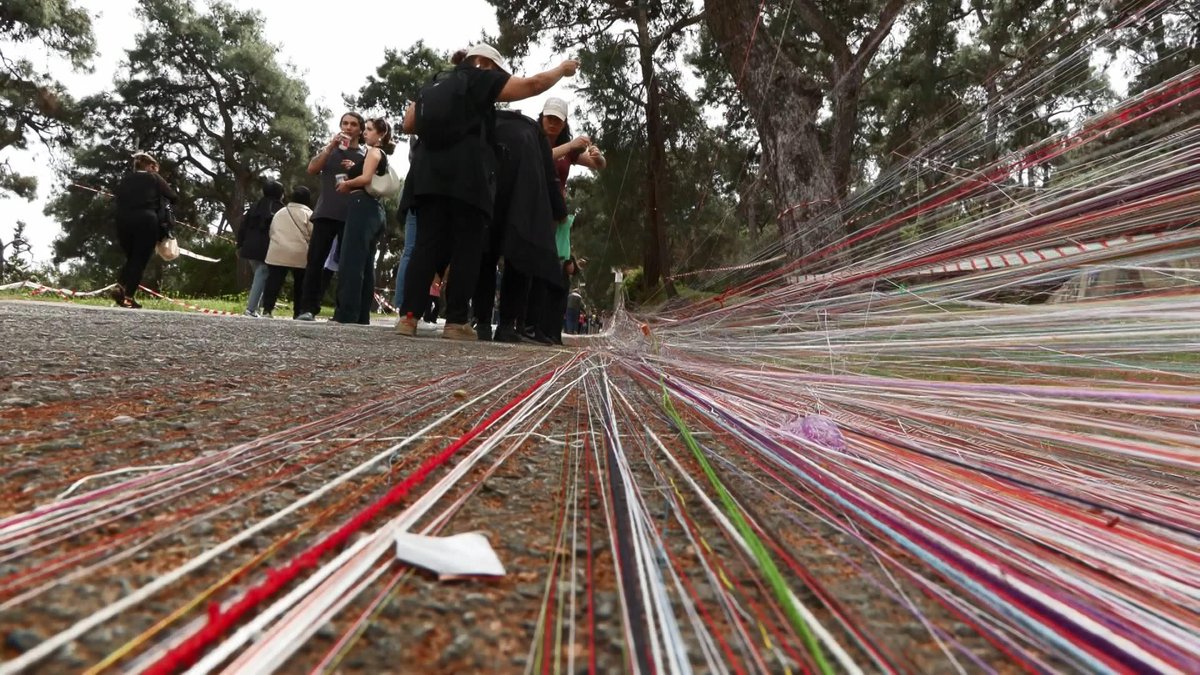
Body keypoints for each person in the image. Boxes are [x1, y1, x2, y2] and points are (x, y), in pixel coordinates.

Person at [396, 43, 580, 340]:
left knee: (425, 246)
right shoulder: (480, 76)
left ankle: (408, 318)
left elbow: (408, 124)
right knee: (468, 247)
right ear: (484, 62)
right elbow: (533, 85)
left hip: (427, 176)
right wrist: (562, 69)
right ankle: (456, 323)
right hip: (467, 177)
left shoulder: (435, 82)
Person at [472, 108, 567, 342]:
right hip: (522, 206)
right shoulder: (533, 134)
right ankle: (505, 326)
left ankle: (482, 322)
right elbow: (548, 174)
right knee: (519, 261)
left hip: (490, 198)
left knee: (486, 258)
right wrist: (559, 210)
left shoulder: (490, 124)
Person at [527, 98, 605, 344]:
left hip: (556, 213)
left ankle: (546, 327)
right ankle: (527, 323)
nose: (552, 123)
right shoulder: (534, 139)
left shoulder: (567, 153)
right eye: (549, 118)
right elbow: (539, 157)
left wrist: (598, 156)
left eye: (557, 120)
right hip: (532, 207)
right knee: (533, 265)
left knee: (555, 269)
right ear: (541, 118)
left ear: (563, 124)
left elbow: (597, 165)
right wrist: (571, 145)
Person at [296, 112, 367, 321]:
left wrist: (355, 170)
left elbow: (369, 184)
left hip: (351, 217)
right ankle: (307, 309)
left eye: (353, 124)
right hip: (325, 212)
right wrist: (329, 147)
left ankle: (342, 311)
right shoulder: (329, 151)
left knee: (346, 265)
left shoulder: (364, 156)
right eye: (345, 123)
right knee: (315, 262)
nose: (348, 127)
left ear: (360, 130)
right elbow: (311, 169)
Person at [332, 117, 395, 325]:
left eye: (369, 129)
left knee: (351, 262)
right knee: (366, 264)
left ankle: (346, 314)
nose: (365, 132)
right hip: (374, 211)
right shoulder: (377, 154)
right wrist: (355, 166)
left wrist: (347, 184)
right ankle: (360, 315)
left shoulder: (374, 152)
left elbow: (366, 179)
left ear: (380, 134)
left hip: (362, 206)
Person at [112, 152, 176, 308]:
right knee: (140, 259)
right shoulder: (153, 178)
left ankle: (120, 286)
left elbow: (117, 199)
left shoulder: (125, 179)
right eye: (156, 168)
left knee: (132, 257)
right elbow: (173, 197)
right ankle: (127, 296)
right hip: (146, 220)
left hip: (123, 221)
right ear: (151, 166)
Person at [261, 186, 314, 319]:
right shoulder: (309, 214)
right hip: (300, 252)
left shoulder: (280, 212)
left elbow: (272, 231)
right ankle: (298, 312)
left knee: (273, 282)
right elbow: (313, 234)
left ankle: (267, 310)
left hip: (278, 251)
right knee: (300, 284)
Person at [238, 180, 284, 317]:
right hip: (267, 247)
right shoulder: (279, 208)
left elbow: (242, 227)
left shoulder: (254, 206)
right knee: (262, 274)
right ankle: (251, 309)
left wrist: (239, 245)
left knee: (260, 276)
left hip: (249, 247)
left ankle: (255, 308)